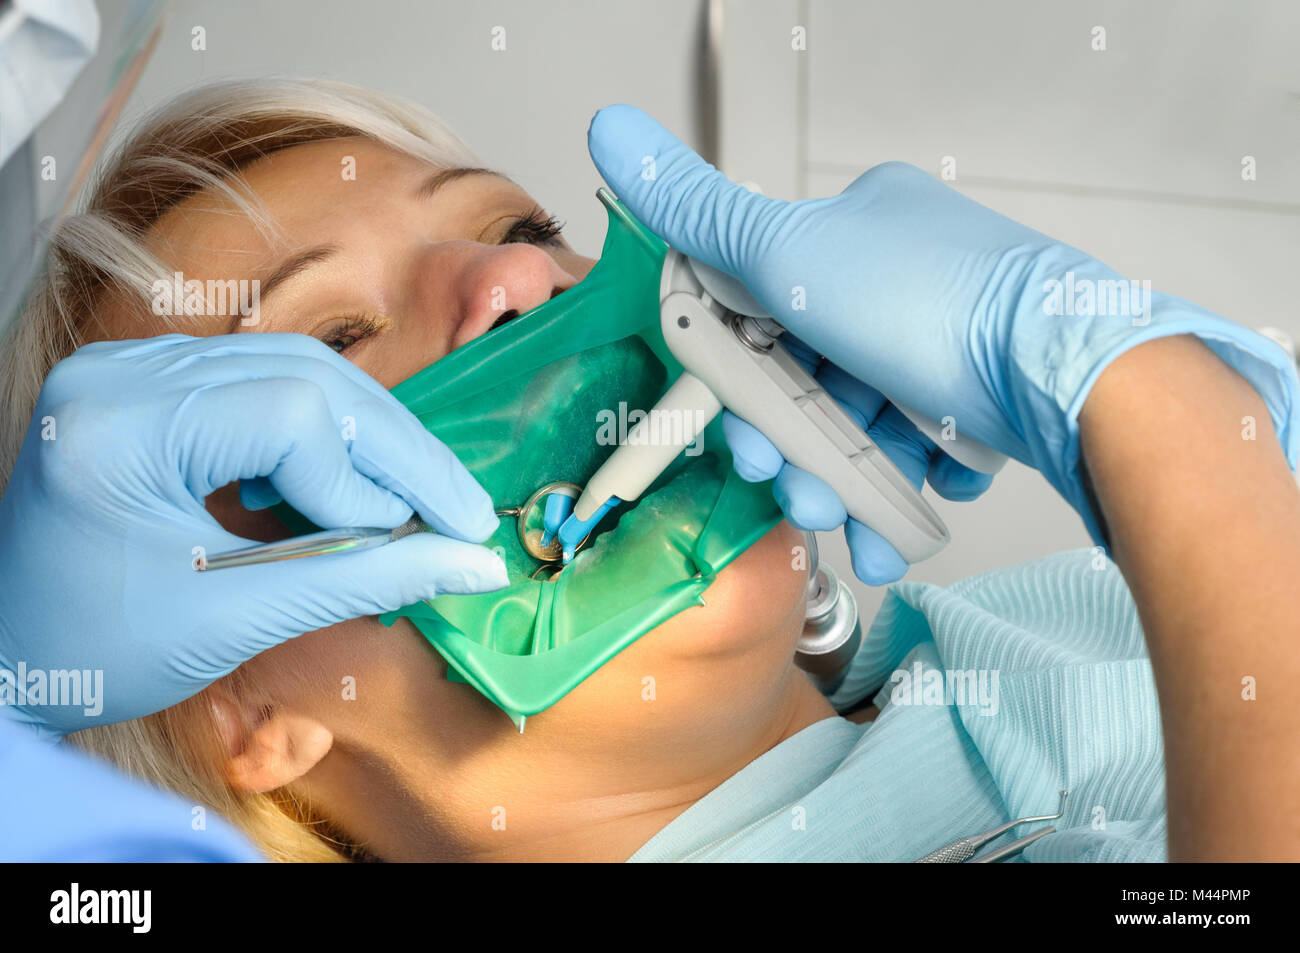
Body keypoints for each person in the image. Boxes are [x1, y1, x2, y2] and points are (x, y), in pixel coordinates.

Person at [2, 79, 1296, 860]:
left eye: (525, 227)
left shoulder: (1081, 616)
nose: (515, 279)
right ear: (234, 706)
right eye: (334, 341)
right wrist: (1154, 402)